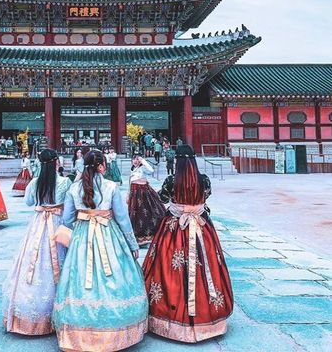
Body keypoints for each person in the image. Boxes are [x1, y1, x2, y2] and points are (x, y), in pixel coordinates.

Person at [52, 150, 148, 351]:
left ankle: (79, 331)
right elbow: (123, 219)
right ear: (102, 166)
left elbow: (67, 219)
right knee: (113, 274)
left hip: (82, 236)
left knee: (80, 278)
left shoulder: (74, 188)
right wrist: (132, 244)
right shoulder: (111, 186)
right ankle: (115, 330)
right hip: (108, 234)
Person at [143, 145, 233, 343]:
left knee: (167, 270)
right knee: (208, 266)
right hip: (202, 227)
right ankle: (208, 316)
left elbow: (162, 198)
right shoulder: (204, 180)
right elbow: (206, 196)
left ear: (177, 161)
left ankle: (169, 317)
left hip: (175, 228)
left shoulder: (171, 181)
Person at [3, 149, 72, 335]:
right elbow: (69, 208)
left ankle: (31, 312)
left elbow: (28, 202)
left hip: (38, 223)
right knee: (58, 260)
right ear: (57, 162)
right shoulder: (65, 182)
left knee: (33, 262)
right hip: (57, 223)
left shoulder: (35, 182)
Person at [128, 154, 165, 246]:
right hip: (134, 191)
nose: (135, 161)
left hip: (143, 191)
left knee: (146, 210)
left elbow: (151, 170)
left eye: (137, 159)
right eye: (134, 159)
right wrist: (128, 194)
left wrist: (143, 161)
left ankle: (149, 234)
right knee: (135, 212)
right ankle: (138, 236)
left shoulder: (142, 168)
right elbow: (130, 180)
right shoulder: (132, 168)